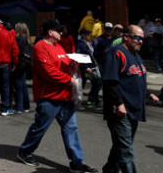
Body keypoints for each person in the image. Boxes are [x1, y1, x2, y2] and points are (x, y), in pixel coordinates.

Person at [17, 20, 97, 173]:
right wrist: (70, 80)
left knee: (71, 128)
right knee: (40, 127)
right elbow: (48, 72)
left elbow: (65, 62)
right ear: (50, 32)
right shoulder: (40, 47)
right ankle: (25, 151)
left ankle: (77, 162)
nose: (61, 33)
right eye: (58, 30)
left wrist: (77, 65)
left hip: (64, 96)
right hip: (49, 96)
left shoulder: (58, 46)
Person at [102, 25, 159, 172]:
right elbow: (110, 82)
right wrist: (119, 104)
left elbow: (137, 78)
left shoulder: (135, 54)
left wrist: (148, 94)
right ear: (126, 37)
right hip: (120, 111)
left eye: (142, 39)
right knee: (126, 152)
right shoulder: (116, 53)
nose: (140, 41)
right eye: (137, 37)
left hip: (134, 110)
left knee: (121, 147)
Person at [77, 29, 101, 107]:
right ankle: (89, 99)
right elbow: (80, 57)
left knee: (97, 82)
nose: (90, 36)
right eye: (88, 35)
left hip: (94, 65)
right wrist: (86, 67)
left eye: (90, 34)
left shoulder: (90, 43)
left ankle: (94, 98)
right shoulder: (80, 44)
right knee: (93, 82)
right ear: (83, 35)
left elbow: (94, 54)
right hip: (87, 67)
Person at [12, 22, 31, 113]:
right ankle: (26, 105)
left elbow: (16, 52)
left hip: (18, 64)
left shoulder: (18, 39)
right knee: (23, 85)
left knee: (18, 85)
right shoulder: (27, 39)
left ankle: (19, 107)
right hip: (25, 64)